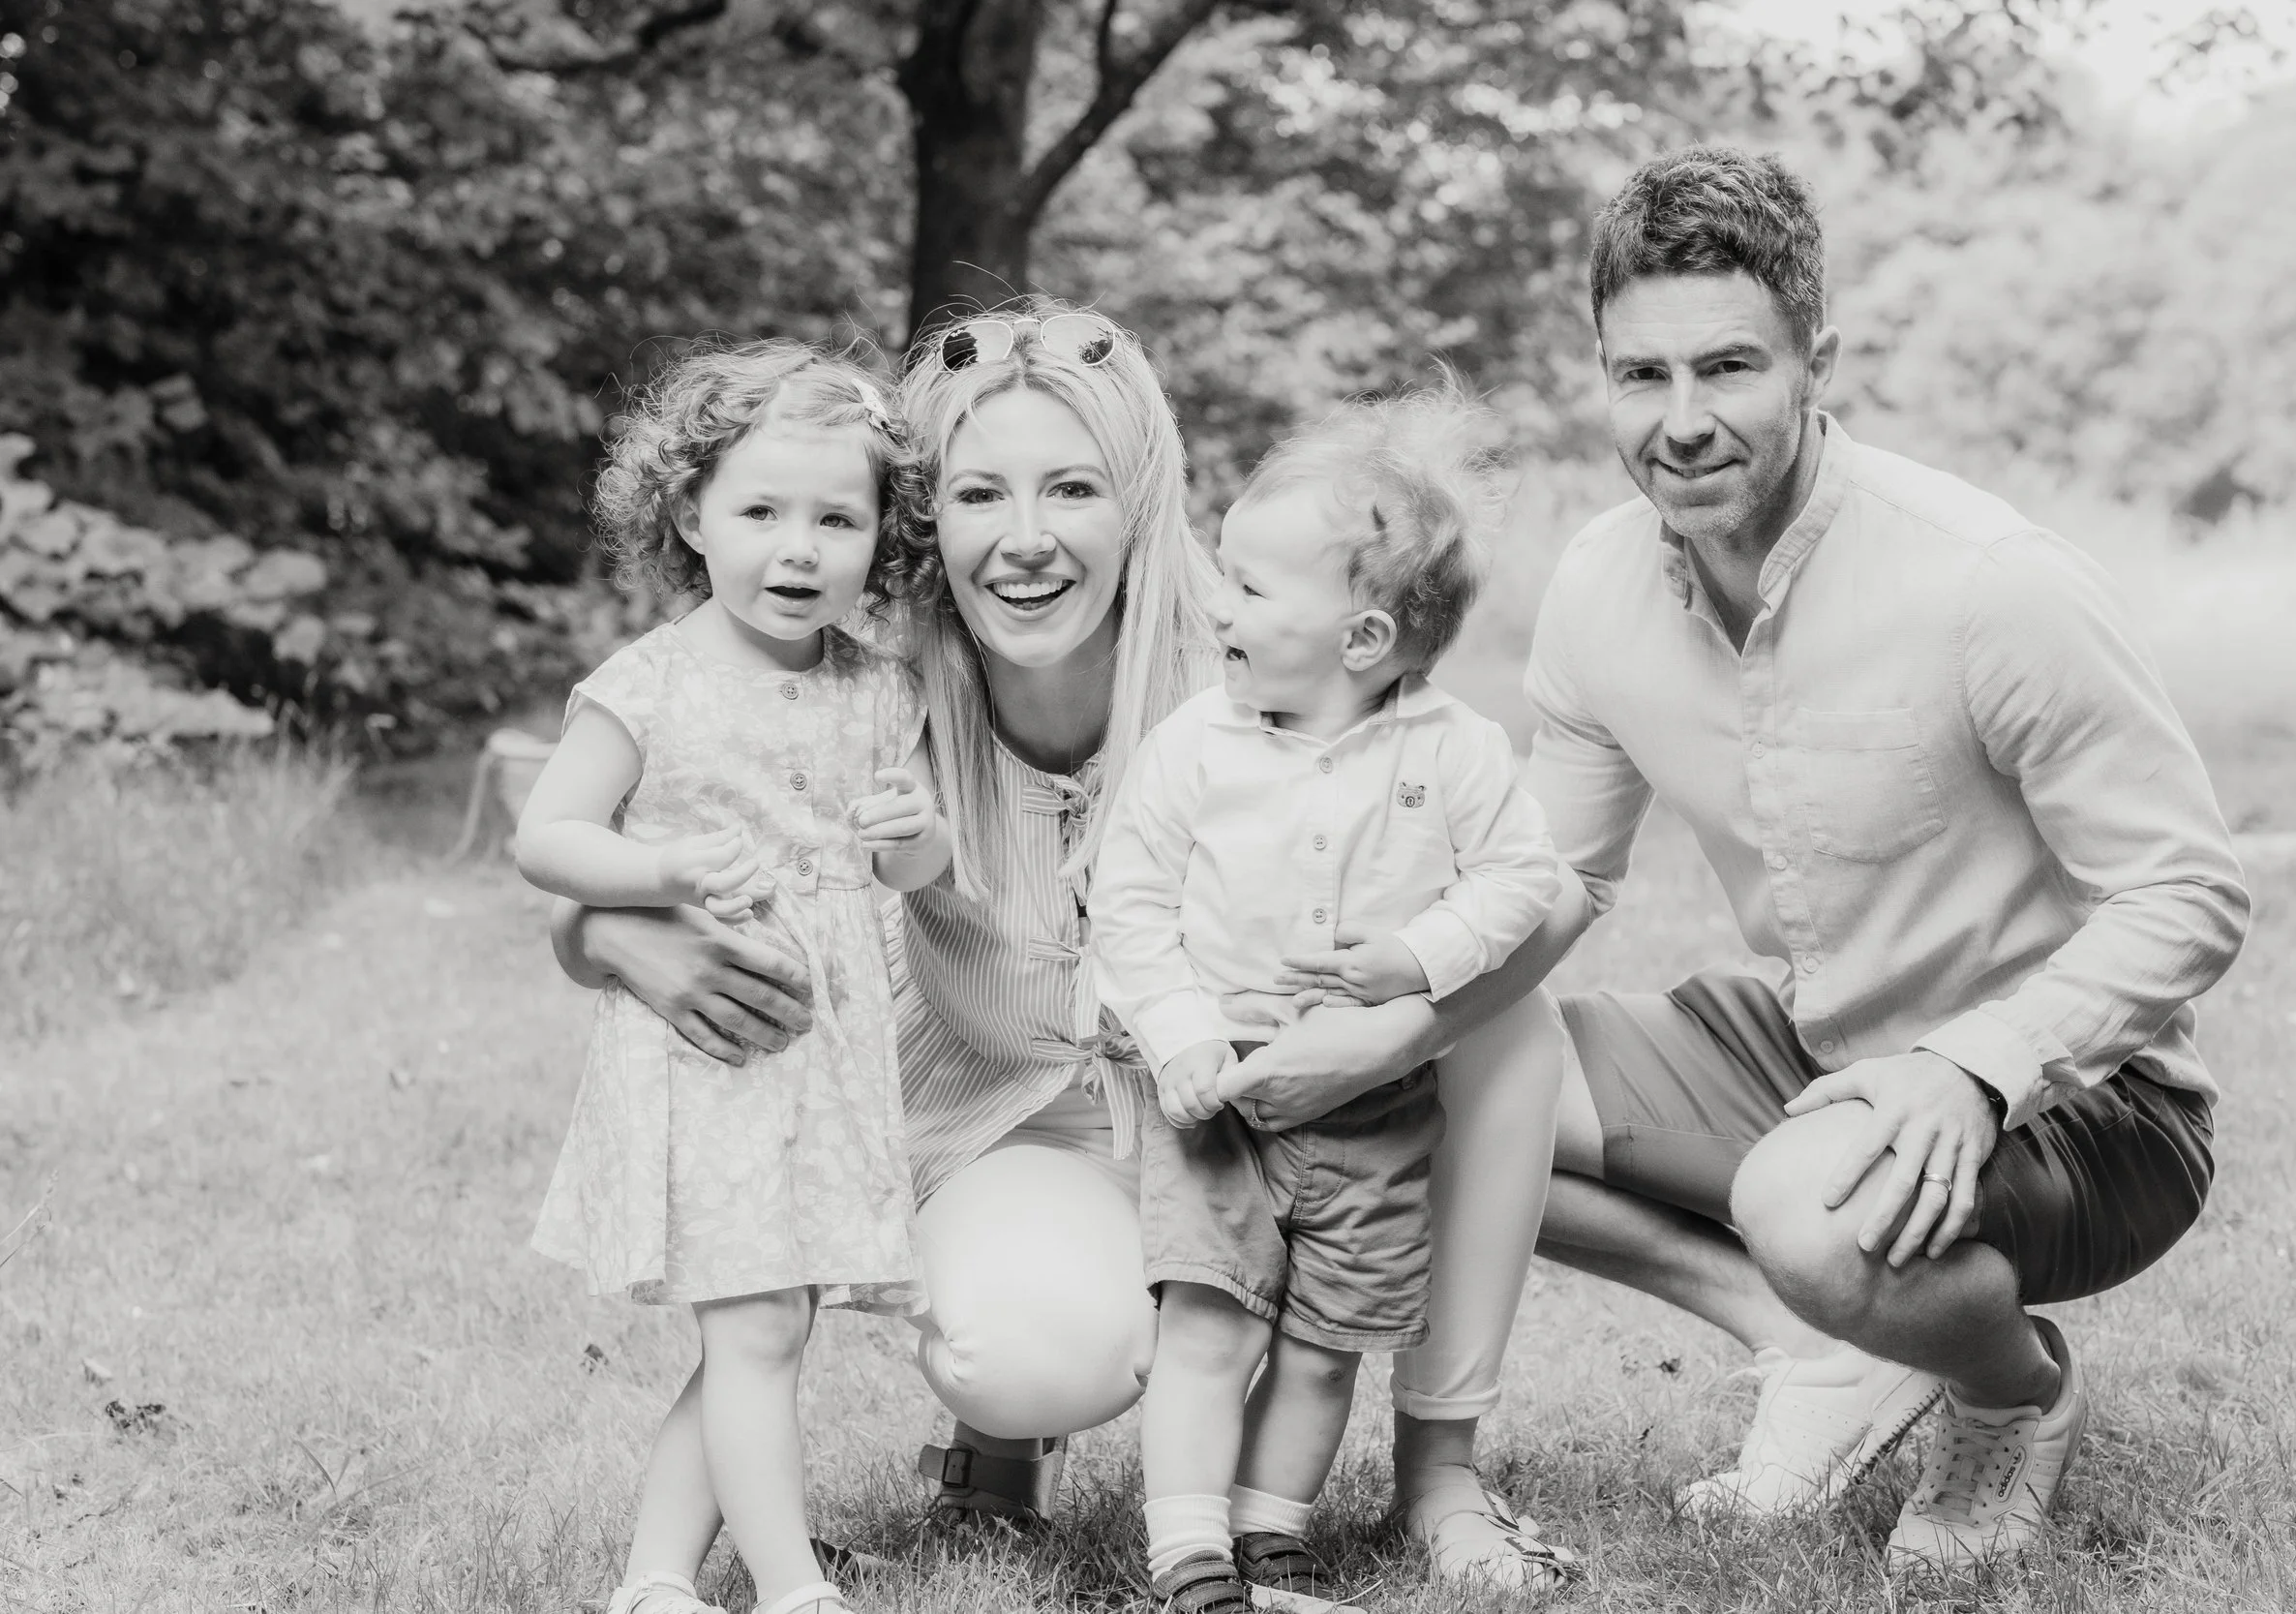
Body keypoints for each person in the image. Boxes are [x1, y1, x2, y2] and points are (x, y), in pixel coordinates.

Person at [550, 303, 1585, 1591]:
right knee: (1041, 1340)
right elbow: (601, 845)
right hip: (1009, 1122)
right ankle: (1004, 1427)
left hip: (1231, 1101)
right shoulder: (870, 683)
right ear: (925, 519)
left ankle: (1443, 1471)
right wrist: (609, 930)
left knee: (1508, 1031)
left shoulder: (1255, 650)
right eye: (981, 491)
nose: (1026, 538)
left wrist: (1391, 1024)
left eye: (1074, 487)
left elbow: (1531, 889)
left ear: (1139, 499)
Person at [1521, 147, 2251, 1568]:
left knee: (1811, 1199)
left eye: (1727, 368)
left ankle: (2004, 1388)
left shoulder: (1990, 581)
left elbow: (2190, 887)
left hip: (2084, 1108)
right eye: (1640, 376)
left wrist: (1977, 1061)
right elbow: (1550, 879)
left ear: (1815, 363)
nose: (1680, 423)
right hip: (1812, 1047)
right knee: (1418, 1074)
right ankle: (1813, 1338)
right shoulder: (1598, 583)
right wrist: (1341, 985)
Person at [1090, 389, 1563, 1613]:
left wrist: (1418, 955)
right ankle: (1188, 1555)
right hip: (1218, 1096)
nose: (1217, 604)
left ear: (1360, 638)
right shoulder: (1199, 742)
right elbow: (1129, 906)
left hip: (1373, 1106)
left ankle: (1272, 1531)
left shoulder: (1454, 750)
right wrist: (1183, 1037)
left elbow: (1524, 879)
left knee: (1322, 1341)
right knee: (1209, 1319)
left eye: (1249, 588)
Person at [515, 342, 949, 1614]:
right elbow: (545, 836)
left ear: (883, 536)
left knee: (762, 1324)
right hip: (709, 1051)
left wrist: (908, 826)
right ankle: (790, 1578)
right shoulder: (652, 680)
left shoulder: (879, 685)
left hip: (828, 1053)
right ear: (691, 514)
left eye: (836, 517)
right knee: (757, 1324)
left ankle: (656, 1574)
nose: (797, 548)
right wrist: (653, 870)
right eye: (761, 511)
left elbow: (919, 866)